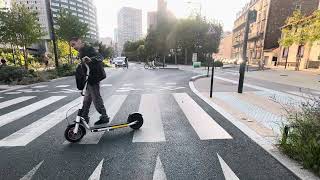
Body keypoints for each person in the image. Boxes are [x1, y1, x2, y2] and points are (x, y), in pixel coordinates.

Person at [70, 37, 110, 126]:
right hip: (88, 78)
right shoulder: (81, 51)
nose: (73, 47)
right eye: (72, 46)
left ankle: (104, 117)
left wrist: (91, 59)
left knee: (96, 98)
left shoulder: (88, 48)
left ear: (79, 41)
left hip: (94, 77)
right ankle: (84, 117)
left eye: (74, 44)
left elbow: (100, 57)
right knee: (87, 99)